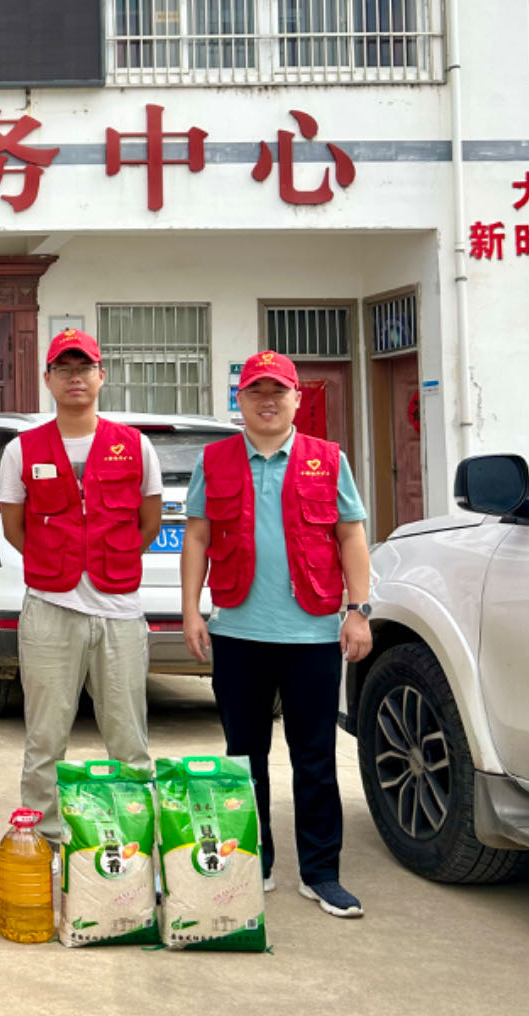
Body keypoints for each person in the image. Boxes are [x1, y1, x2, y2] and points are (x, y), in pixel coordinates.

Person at [180, 349, 373, 919]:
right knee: (245, 757)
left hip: (312, 635)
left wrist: (359, 610)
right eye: (255, 392)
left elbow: (351, 536)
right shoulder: (214, 459)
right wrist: (191, 611)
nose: (267, 402)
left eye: (278, 392)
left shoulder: (327, 459)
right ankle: (254, 861)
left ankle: (321, 873)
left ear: (296, 399)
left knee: (314, 759)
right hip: (238, 632)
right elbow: (197, 536)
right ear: (239, 400)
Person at [0, 327, 162, 847]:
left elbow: (149, 523)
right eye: (64, 369)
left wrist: (109, 560)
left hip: (120, 613)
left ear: (101, 376)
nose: (75, 378)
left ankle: (134, 844)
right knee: (45, 739)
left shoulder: (135, 446)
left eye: (84, 368)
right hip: (50, 609)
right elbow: (14, 528)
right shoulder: (22, 450)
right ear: (47, 379)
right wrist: (59, 562)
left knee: (129, 739)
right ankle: (42, 841)